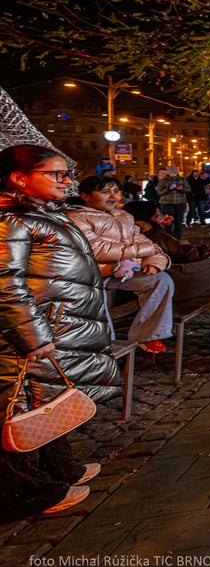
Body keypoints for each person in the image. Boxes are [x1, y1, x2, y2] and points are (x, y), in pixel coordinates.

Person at [0, 145, 111, 519]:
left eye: (67, 174)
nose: (67, 181)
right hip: (29, 334)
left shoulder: (40, 213)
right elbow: (5, 284)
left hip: (57, 324)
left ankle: (60, 467)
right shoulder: (11, 220)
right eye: (56, 174)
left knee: (47, 396)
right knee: (20, 405)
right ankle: (25, 493)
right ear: (19, 178)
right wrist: (33, 336)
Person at [122, 201, 210, 353]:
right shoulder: (147, 232)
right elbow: (182, 251)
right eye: (156, 214)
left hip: (176, 279)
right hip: (176, 280)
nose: (158, 217)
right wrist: (209, 252)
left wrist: (162, 228)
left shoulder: (150, 230)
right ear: (147, 217)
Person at [67, 176, 175, 353]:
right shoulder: (76, 217)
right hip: (90, 274)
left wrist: (154, 261)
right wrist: (140, 250)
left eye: (116, 191)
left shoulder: (124, 216)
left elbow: (146, 243)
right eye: (104, 192)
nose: (112, 195)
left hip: (123, 272)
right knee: (94, 295)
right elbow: (97, 249)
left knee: (160, 280)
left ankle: (148, 336)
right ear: (86, 196)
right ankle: (107, 345)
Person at [155, 168, 188, 238]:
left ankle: (177, 237)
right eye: (171, 172)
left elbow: (188, 189)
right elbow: (159, 192)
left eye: (175, 172)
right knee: (168, 221)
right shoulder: (164, 181)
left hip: (179, 203)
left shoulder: (182, 180)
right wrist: (168, 189)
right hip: (167, 203)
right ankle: (169, 236)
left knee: (178, 221)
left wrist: (181, 189)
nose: (173, 174)